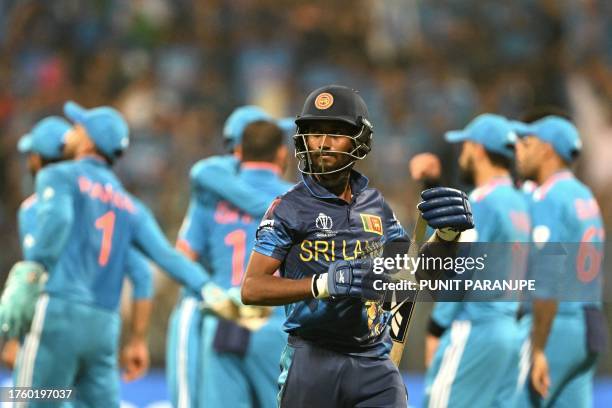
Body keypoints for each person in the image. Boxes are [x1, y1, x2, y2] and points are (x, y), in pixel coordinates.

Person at [241, 84, 474, 407]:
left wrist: (448, 237)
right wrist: (323, 283)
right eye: (314, 132)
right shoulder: (288, 208)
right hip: (312, 357)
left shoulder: (375, 205)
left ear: (359, 140)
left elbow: (414, 278)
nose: (322, 143)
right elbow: (251, 288)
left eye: (335, 133)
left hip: (373, 361)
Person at [11, 101, 218, 407]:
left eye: (79, 128)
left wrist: (32, 272)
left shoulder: (56, 181)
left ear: (89, 141)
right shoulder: (129, 205)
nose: (73, 133)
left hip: (59, 313)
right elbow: (163, 260)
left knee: (30, 400)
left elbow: (57, 226)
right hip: (104, 326)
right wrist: (212, 291)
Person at [166, 105, 293, 408]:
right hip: (276, 324)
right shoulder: (297, 198)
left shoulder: (208, 197)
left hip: (224, 320)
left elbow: (182, 255)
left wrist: (209, 290)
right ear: (279, 153)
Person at [415, 114, 530, 408]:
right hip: (510, 332)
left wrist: (436, 329)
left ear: (478, 149)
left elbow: (460, 271)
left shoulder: (481, 202)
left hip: (475, 329)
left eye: (464, 146)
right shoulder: (520, 202)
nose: (461, 155)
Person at [513, 116, 606, 407]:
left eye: (528, 143)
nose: (520, 151)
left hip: (555, 325)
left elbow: (548, 276)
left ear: (547, 150)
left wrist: (538, 347)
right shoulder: (584, 195)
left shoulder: (549, 197)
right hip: (589, 323)